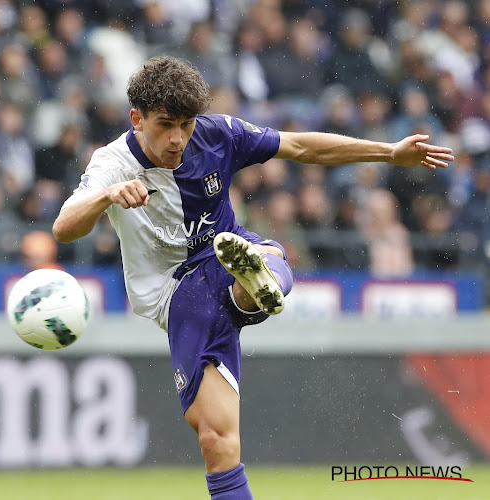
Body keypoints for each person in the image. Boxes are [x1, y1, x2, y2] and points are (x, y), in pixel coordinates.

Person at [52, 55, 453, 499]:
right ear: (137, 118)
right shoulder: (112, 164)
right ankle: (251, 288)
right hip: (176, 296)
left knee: (255, 258)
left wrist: (388, 153)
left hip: (221, 254)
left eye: (186, 124)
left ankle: (254, 281)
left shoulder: (218, 134)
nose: (177, 138)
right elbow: (64, 226)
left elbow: (300, 147)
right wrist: (106, 196)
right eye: (165, 124)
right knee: (215, 442)